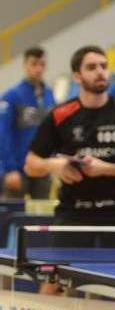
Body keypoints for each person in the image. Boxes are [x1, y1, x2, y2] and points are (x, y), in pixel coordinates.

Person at [24, 45, 115, 252]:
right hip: (74, 213)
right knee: (56, 280)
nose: (100, 71)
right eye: (92, 67)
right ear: (77, 76)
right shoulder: (61, 115)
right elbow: (31, 165)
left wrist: (106, 168)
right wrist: (54, 165)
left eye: (103, 66)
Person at [0, 46, 56, 199]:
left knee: (42, 218)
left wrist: (53, 161)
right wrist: (10, 169)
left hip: (42, 168)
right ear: (25, 65)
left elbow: (54, 131)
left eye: (42, 64)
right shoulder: (11, 96)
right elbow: (3, 134)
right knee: (11, 218)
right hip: (18, 169)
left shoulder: (50, 95)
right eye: (34, 64)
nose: (38, 69)